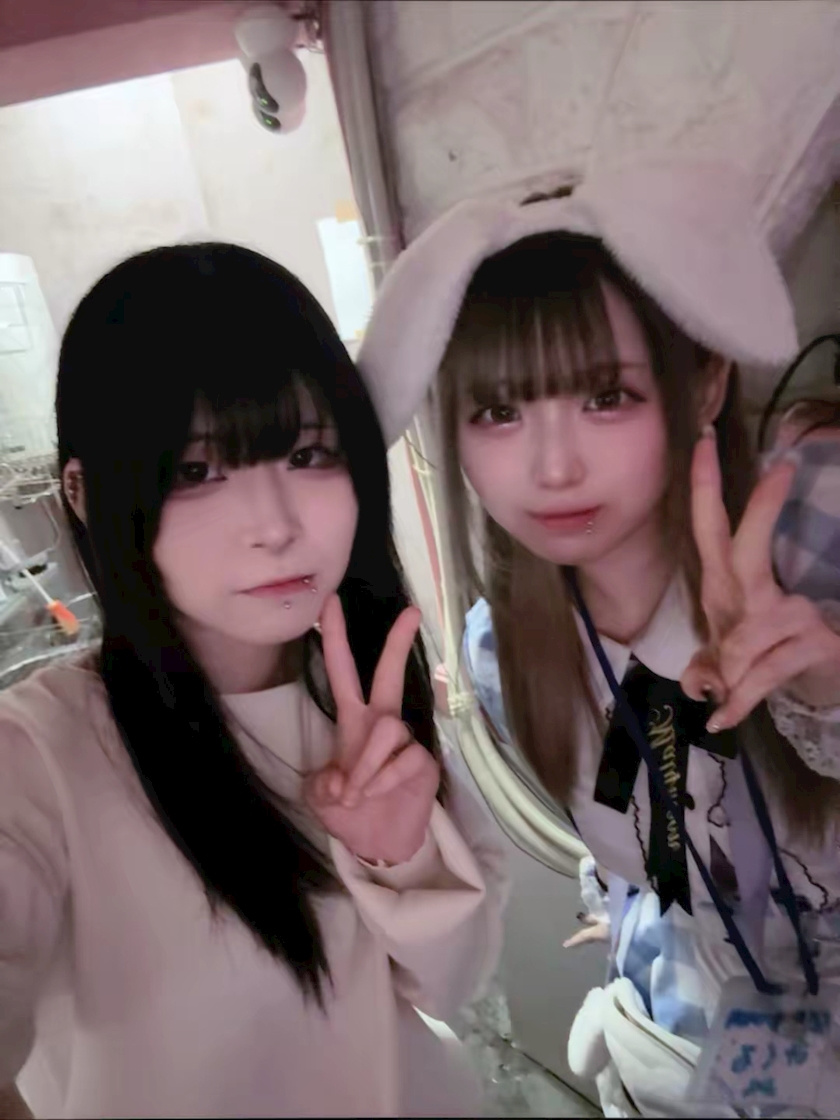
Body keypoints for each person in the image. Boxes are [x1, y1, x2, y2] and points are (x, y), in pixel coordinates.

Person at [357, 163, 840, 1116]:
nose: (552, 467)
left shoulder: (811, 523)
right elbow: (633, 801)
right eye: (499, 412)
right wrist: (620, 902)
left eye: (606, 396)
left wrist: (824, 688)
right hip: (703, 1047)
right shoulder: (508, 651)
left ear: (704, 383)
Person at [0, 243, 507, 1119]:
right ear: (84, 493)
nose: (275, 526)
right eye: (196, 472)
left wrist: (401, 854)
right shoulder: (36, 756)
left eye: (308, 454)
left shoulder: (362, 698)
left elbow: (449, 987)